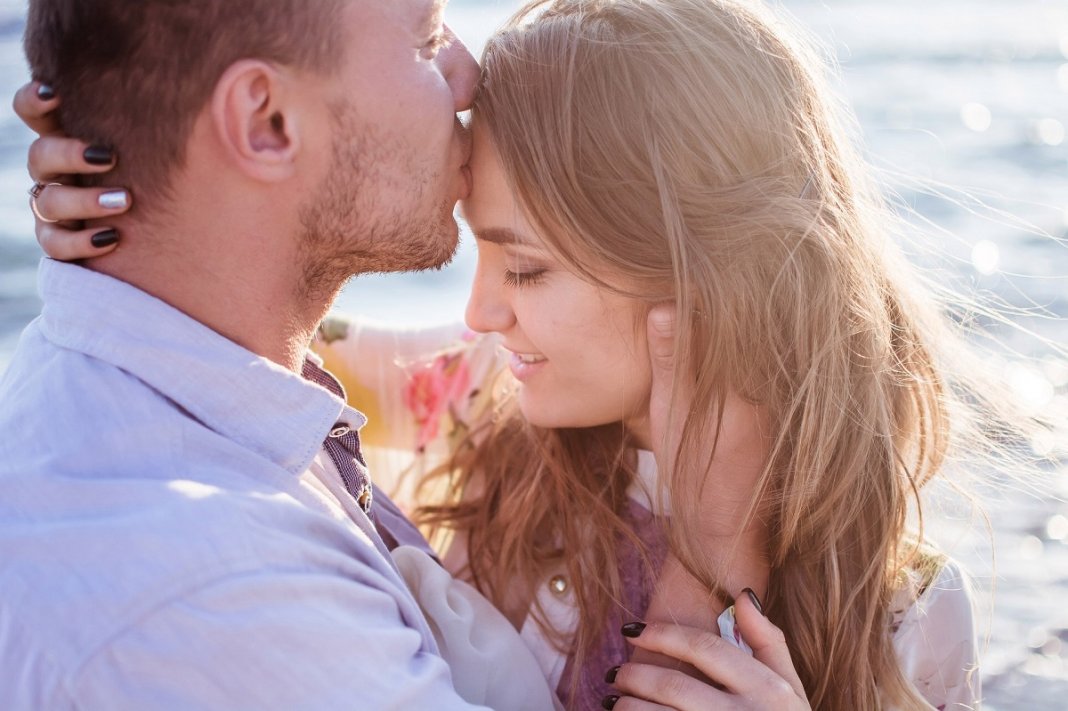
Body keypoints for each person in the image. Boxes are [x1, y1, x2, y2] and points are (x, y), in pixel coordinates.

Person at [13, 0, 999, 709]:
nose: (481, 310)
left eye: (524, 272)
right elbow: (268, 356)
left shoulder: (905, 606)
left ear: (707, 282)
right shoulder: (483, 409)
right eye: (423, 38)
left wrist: (139, 208)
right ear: (265, 121)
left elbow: (241, 358)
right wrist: (143, 190)